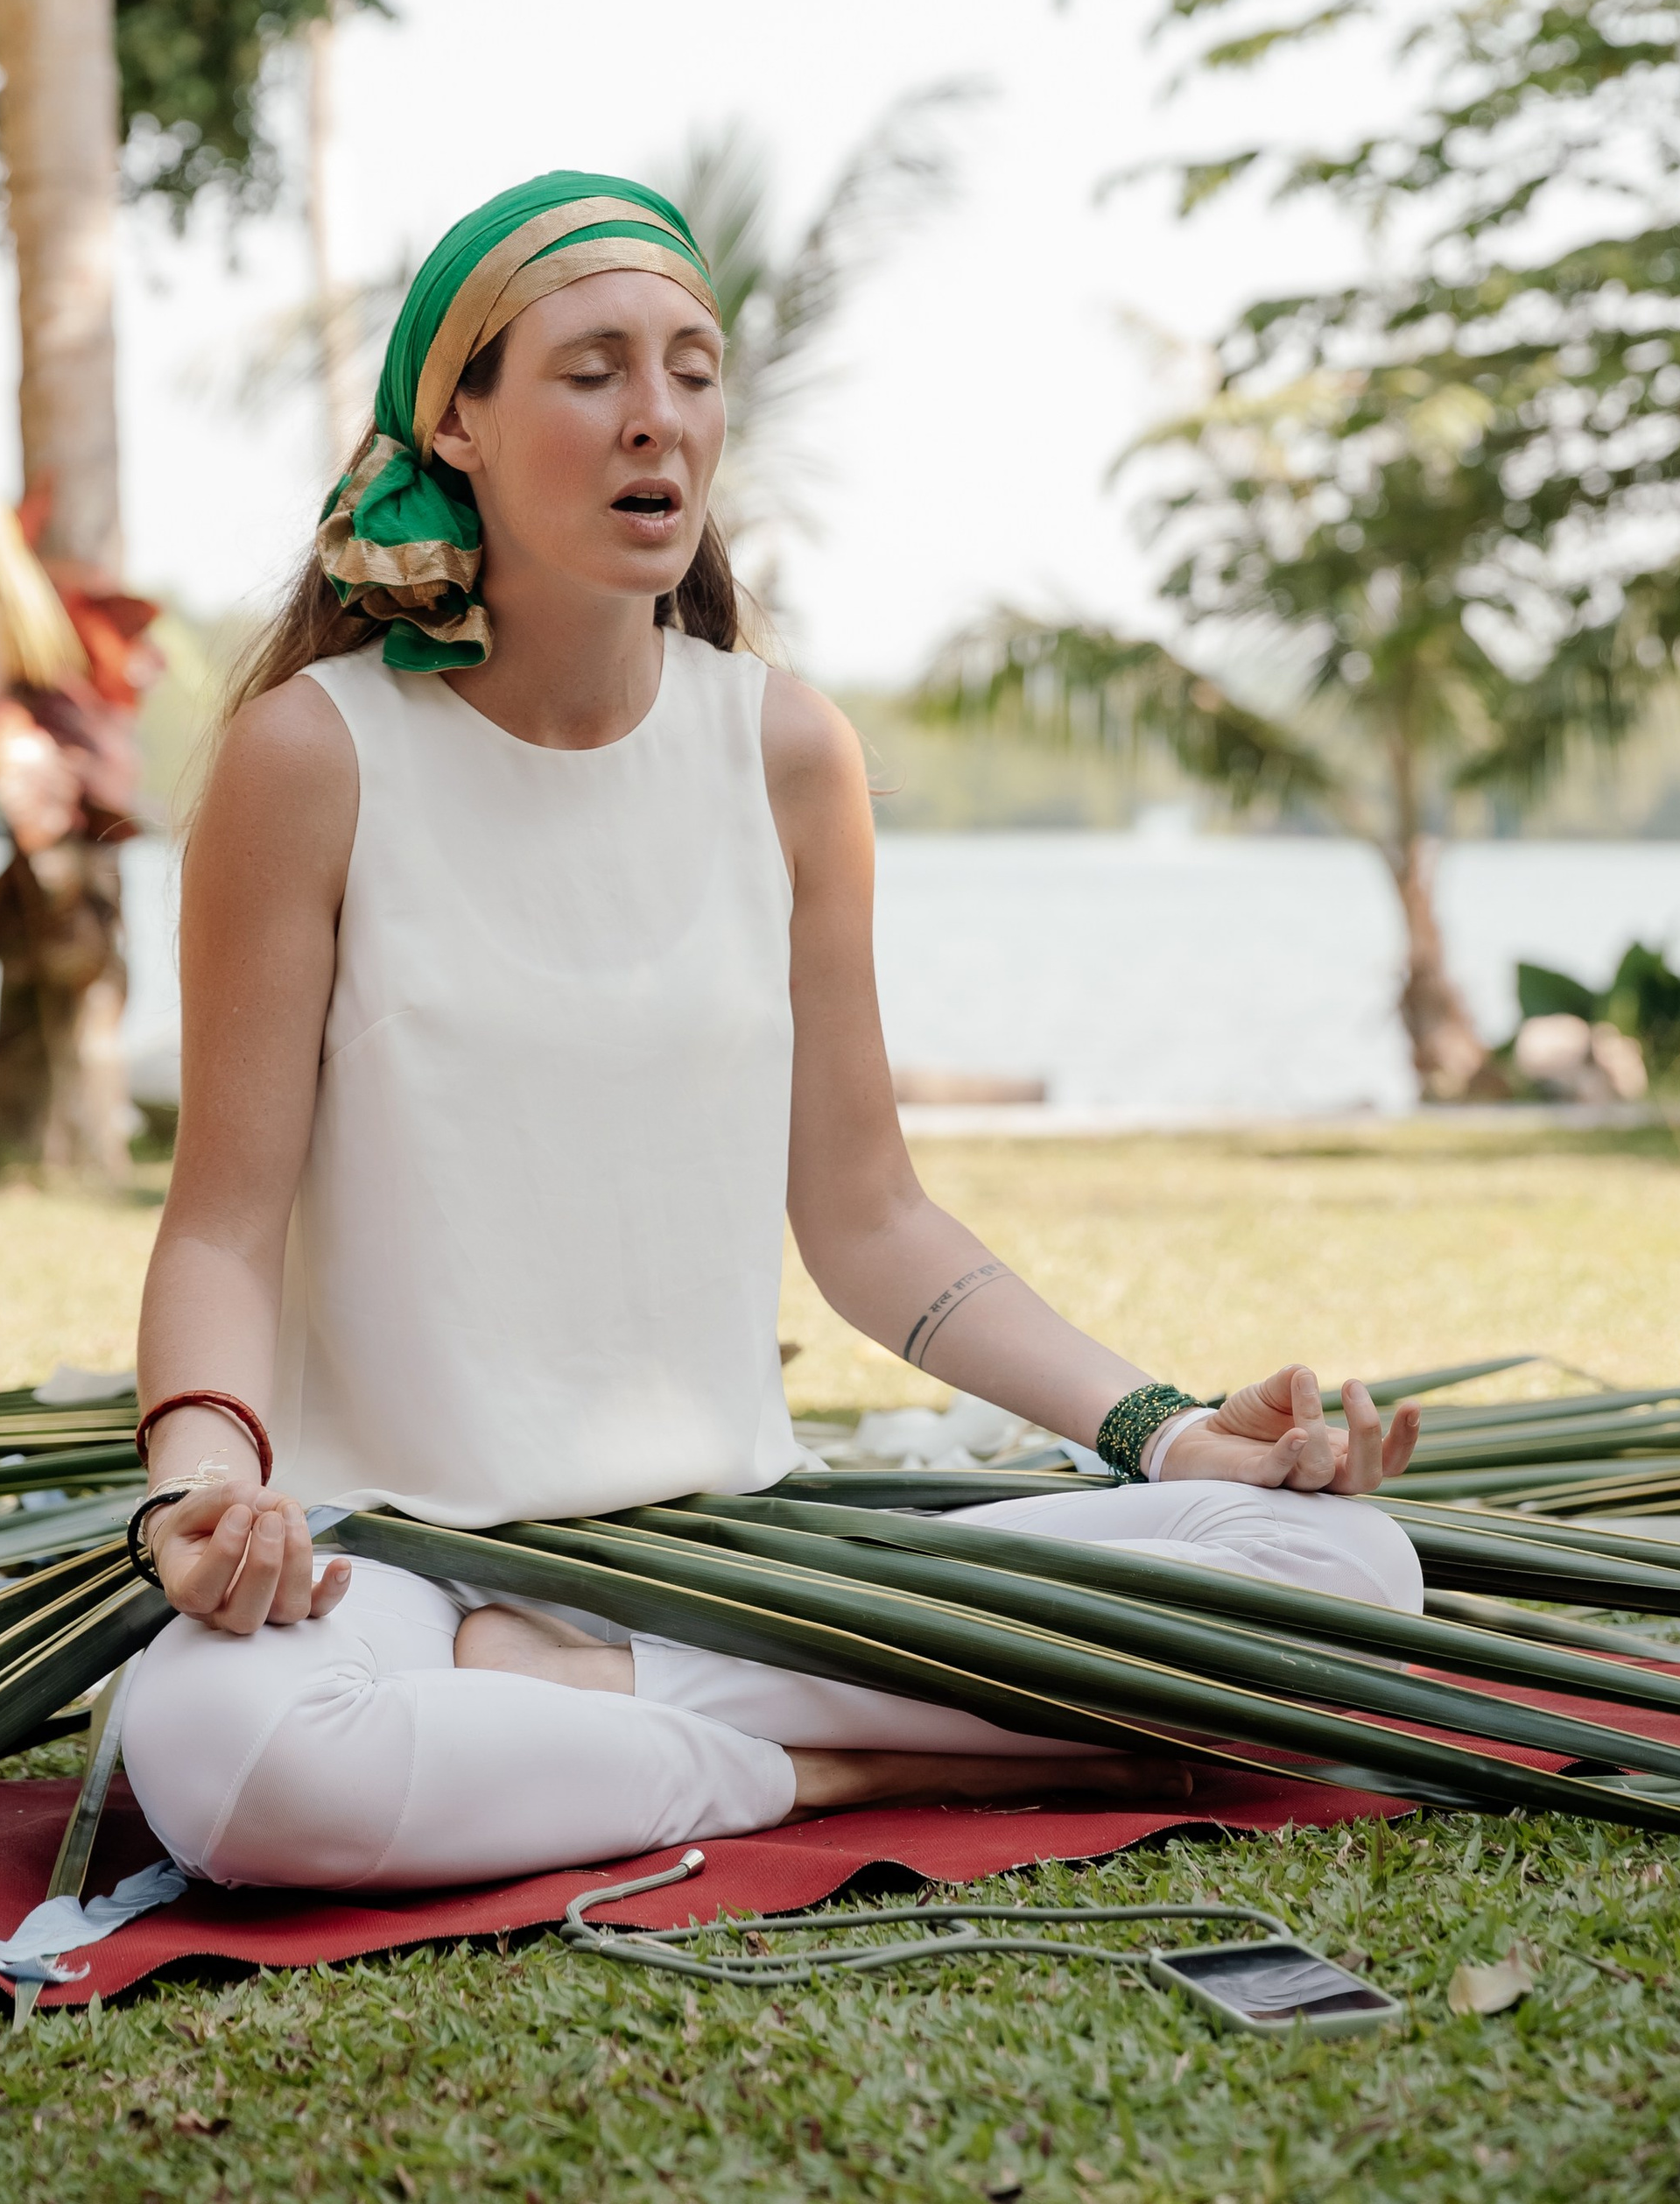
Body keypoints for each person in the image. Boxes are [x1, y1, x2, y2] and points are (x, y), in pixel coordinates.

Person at [123, 173, 1423, 1894]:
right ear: (461, 418)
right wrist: (201, 1494)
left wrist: (1167, 1434)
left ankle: (593, 1708)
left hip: (740, 1562)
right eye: (589, 369)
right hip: (406, 1573)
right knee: (230, 1755)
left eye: (690, 365)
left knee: (1349, 1575)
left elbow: (870, 1218)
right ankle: (824, 1763)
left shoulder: (782, 752)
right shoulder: (314, 757)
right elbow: (220, 1215)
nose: (656, 415)